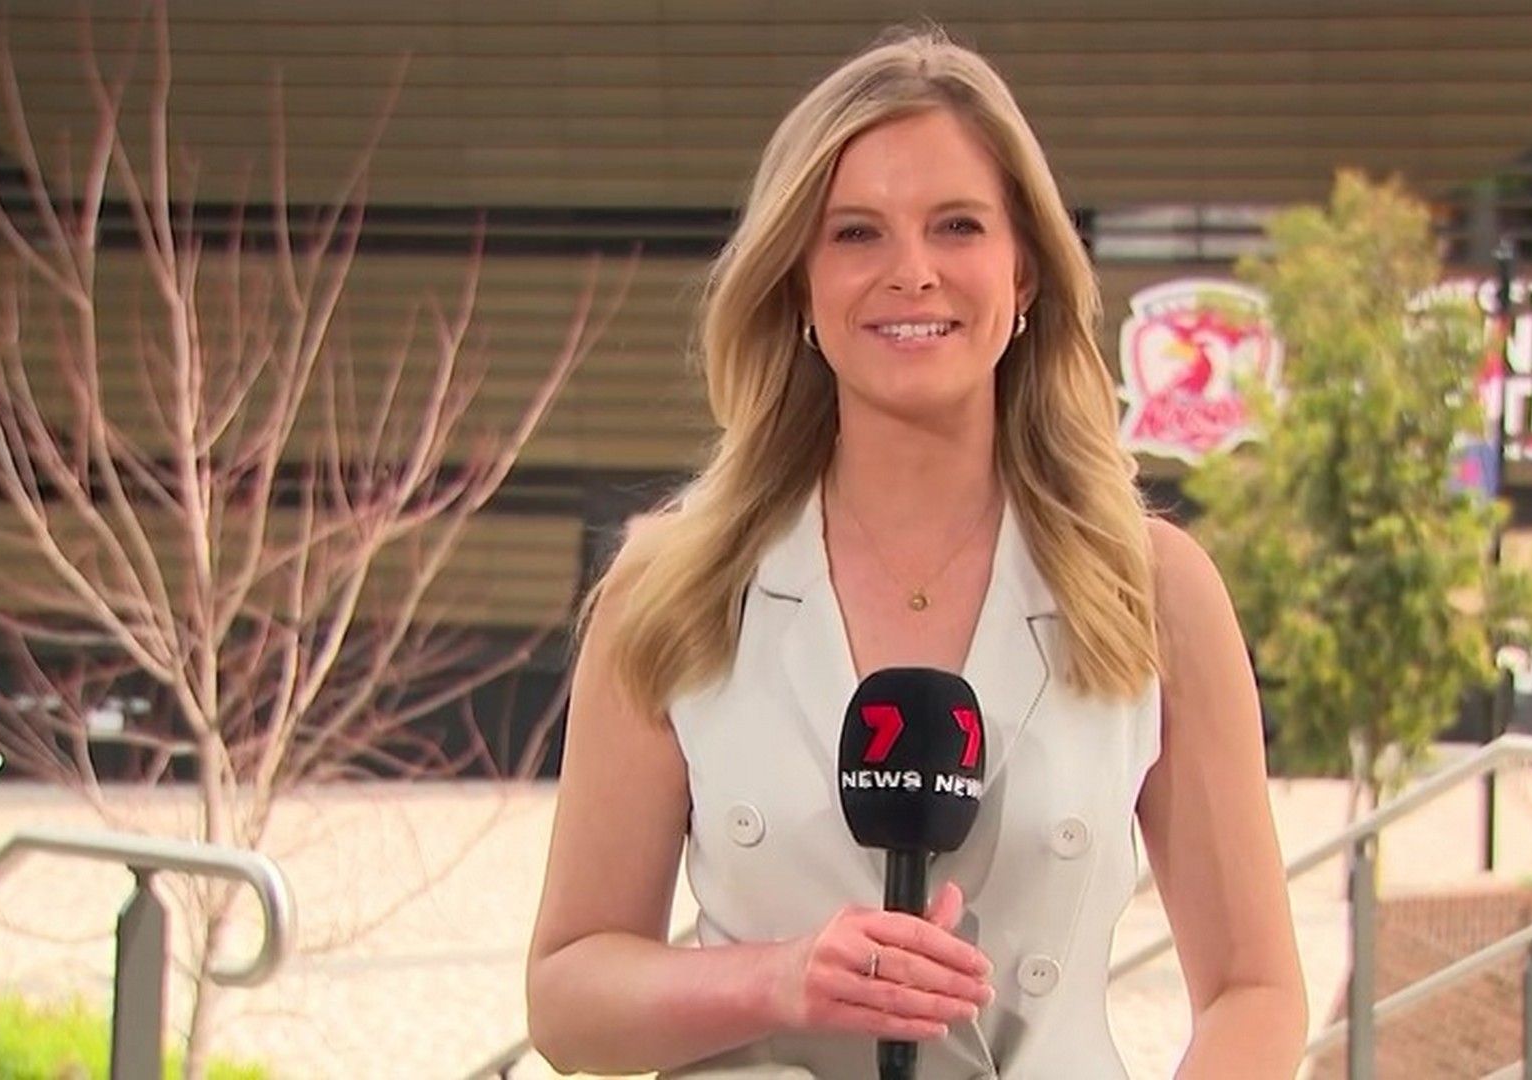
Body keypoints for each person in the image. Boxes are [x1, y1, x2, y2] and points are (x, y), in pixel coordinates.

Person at [526, 29, 1305, 1079]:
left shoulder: (1153, 588)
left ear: (1024, 273)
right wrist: (777, 979)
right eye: (857, 233)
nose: (913, 273)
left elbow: (1255, 989)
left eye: (957, 226)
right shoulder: (672, 587)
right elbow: (569, 996)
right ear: (798, 283)